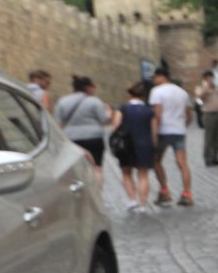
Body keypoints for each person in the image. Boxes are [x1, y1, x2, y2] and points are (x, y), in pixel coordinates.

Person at [53, 75, 118, 181]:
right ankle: (96, 192)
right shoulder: (95, 101)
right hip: (93, 138)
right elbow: (105, 120)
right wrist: (110, 112)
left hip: (71, 138)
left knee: (75, 168)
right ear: (88, 87)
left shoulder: (62, 101)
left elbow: (58, 123)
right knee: (96, 167)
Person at [148, 68, 194, 206]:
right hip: (179, 130)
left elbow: (158, 115)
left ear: (161, 77)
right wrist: (183, 125)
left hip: (163, 131)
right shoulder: (182, 92)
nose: (153, 80)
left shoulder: (156, 92)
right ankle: (187, 193)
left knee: (156, 161)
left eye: (154, 77)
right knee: (182, 163)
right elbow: (189, 114)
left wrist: (154, 134)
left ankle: (164, 191)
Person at [112, 81, 157, 214]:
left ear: (129, 94)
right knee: (143, 175)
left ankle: (132, 199)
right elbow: (154, 131)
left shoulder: (122, 109)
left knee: (126, 173)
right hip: (144, 144)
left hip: (126, 145)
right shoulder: (149, 111)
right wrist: (154, 146)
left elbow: (115, 127)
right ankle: (143, 204)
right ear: (144, 95)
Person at [194, 70, 218, 167]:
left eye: (211, 77)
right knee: (209, 138)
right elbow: (200, 96)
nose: (210, 79)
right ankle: (207, 158)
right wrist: (206, 87)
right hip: (209, 115)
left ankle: (216, 158)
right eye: (208, 77)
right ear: (204, 78)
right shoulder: (200, 88)